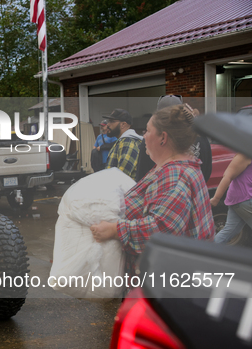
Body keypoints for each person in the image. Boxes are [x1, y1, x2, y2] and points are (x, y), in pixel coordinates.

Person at [91, 104, 214, 278]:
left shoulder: (175, 174)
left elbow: (161, 229)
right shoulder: (175, 166)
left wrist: (115, 229)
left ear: (162, 138)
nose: (143, 136)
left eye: (147, 131)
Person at [135, 95, 212, 182]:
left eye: (148, 130)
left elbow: (142, 176)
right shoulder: (200, 134)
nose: (145, 135)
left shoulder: (153, 139)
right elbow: (207, 171)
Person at [210, 153, 252, 243]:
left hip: (240, 200)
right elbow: (227, 176)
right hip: (245, 199)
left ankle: (207, 252)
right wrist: (216, 199)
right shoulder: (245, 154)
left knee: (229, 231)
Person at [104, 108, 143, 180]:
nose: (108, 125)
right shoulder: (122, 141)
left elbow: (122, 177)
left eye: (112, 121)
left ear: (123, 124)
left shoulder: (128, 141)